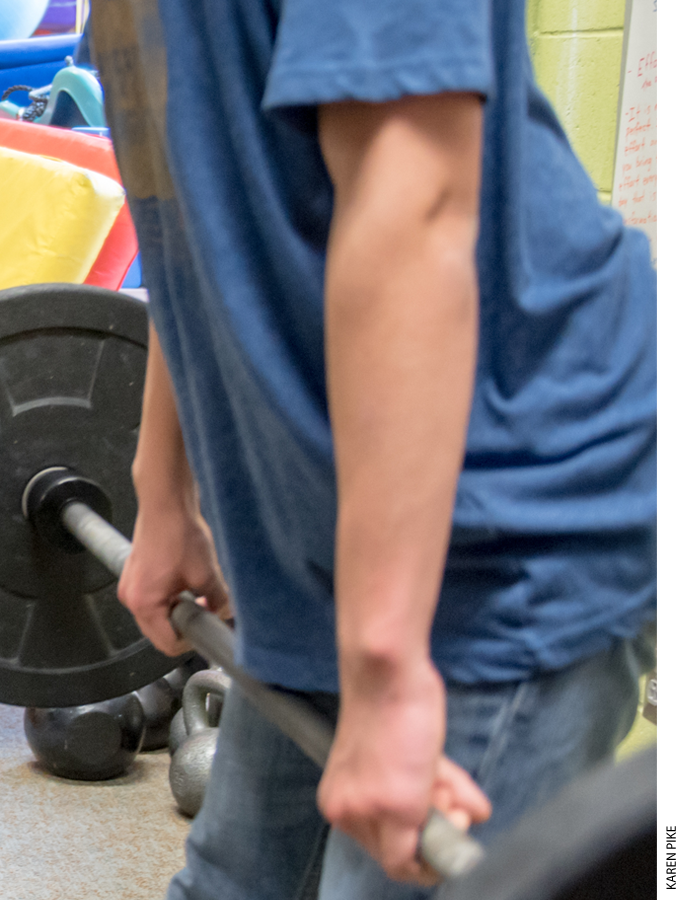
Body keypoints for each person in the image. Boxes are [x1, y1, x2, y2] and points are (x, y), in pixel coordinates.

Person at [90, 0, 656, 896]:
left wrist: (386, 668)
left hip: (499, 524)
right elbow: (191, 189)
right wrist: (165, 490)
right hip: (316, 540)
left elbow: (414, 199)